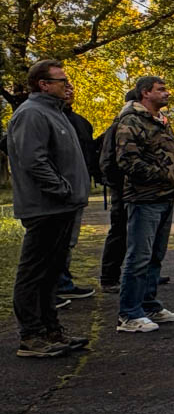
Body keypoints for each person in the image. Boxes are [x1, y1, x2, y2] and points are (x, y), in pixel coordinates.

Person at [8, 60, 92, 358]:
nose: (66, 84)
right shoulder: (31, 114)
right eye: (61, 80)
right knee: (34, 272)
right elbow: (34, 161)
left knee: (51, 271)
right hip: (45, 207)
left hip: (63, 206)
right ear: (43, 84)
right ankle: (31, 337)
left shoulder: (53, 113)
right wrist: (62, 190)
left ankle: (51, 329)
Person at [113, 76, 174, 333]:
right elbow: (127, 161)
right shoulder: (131, 121)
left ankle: (148, 304)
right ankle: (130, 313)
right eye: (161, 89)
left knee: (155, 256)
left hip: (164, 196)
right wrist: (162, 175)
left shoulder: (159, 121)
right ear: (145, 93)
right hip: (144, 198)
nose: (167, 93)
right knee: (139, 257)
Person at [55, 93, 98, 301]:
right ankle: (52, 287)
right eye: (63, 84)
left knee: (69, 240)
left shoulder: (81, 122)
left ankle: (63, 283)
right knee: (52, 241)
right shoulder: (40, 117)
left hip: (78, 189)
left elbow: (89, 151)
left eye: (70, 85)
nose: (68, 90)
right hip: (56, 192)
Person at [98, 86, 140, 293]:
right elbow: (112, 160)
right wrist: (118, 184)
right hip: (123, 186)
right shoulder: (124, 124)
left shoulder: (120, 122)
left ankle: (137, 274)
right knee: (120, 229)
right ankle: (109, 277)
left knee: (132, 231)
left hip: (123, 185)